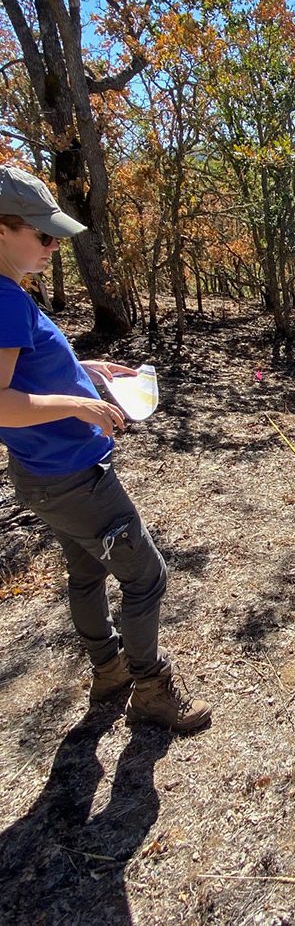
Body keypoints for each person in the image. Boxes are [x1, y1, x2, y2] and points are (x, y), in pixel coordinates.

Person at [0, 165, 211, 732]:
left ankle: (110, 670)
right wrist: (78, 406)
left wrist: (81, 372)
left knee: (87, 572)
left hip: (45, 475)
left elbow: (25, 377)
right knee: (146, 576)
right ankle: (150, 689)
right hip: (74, 479)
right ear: (1, 228)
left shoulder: (11, 293)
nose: (52, 245)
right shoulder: (6, 301)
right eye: (42, 234)